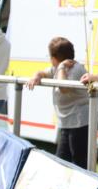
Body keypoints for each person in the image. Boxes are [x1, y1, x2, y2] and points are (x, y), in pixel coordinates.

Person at [26, 37, 90, 168]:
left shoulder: (74, 68)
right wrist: (36, 76)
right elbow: (43, 72)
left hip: (80, 122)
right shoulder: (57, 68)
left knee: (79, 161)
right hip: (67, 122)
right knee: (62, 160)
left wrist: (61, 68)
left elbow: (64, 88)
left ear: (54, 58)